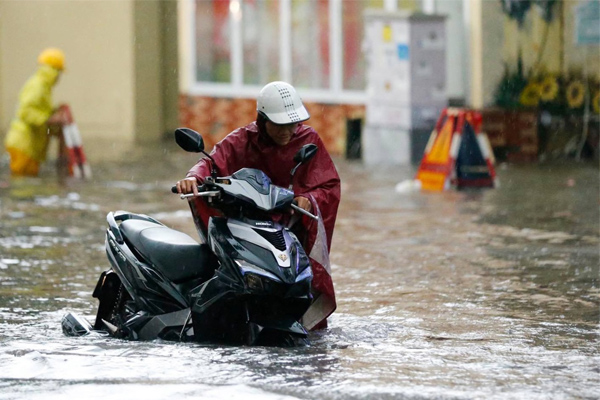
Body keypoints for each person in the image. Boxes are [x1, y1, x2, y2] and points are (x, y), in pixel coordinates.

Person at [176, 81, 341, 330]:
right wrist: (193, 179)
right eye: (280, 125)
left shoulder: (308, 140)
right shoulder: (242, 140)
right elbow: (212, 161)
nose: (287, 132)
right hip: (246, 225)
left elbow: (328, 185)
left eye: (292, 125)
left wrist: (310, 198)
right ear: (263, 120)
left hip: (291, 227)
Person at [4, 48, 66, 176]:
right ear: (54, 70)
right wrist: (50, 119)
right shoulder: (38, 85)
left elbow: (39, 111)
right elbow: (25, 112)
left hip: (28, 146)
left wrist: (54, 113)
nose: (60, 77)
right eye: (59, 72)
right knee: (22, 186)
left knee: (26, 183)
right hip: (24, 145)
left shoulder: (43, 86)